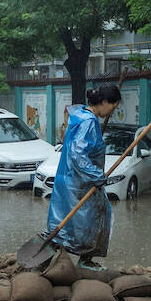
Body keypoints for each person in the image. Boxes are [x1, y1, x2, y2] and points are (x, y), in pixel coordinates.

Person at [46, 84, 120, 269]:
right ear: (104, 102)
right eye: (113, 107)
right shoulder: (88, 122)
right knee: (95, 218)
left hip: (70, 180)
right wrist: (96, 175)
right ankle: (85, 259)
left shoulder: (79, 115)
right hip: (81, 183)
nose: (112, 112)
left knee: (67, 221)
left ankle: (53, 255)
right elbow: (78, 153)